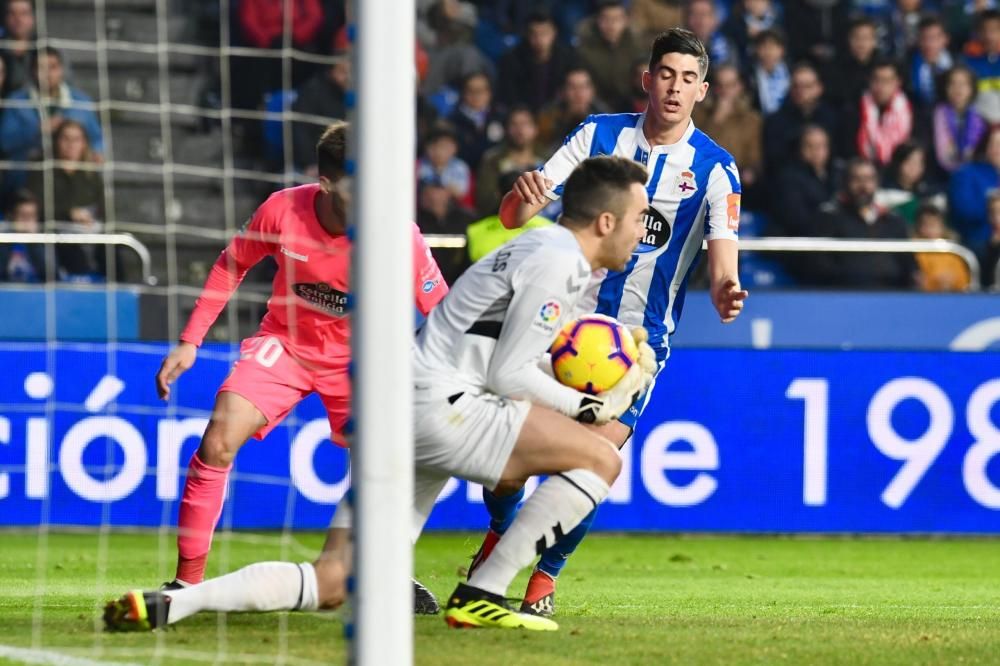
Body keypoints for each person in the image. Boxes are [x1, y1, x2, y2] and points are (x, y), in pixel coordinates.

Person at [102, 155, 657, 633]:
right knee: (600, 457)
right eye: (638, 218)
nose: (643, 230)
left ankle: (179, 601)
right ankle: (484, 593)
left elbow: (511, 350)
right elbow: (511, 376)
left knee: (333, 581)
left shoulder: (543, 249)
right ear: (606, 220)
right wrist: (595, 405)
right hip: (442, 407)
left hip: (404, 409)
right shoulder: (557, 261)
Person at [481, 28, 748, 617]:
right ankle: (502, 531)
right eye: (667, 74)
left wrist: (727, 290)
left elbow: (724, 259)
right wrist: (520, 198)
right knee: (504, 466)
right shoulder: (599, 135)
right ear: (646, 79)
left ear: (703, 91)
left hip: (634, 344)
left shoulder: (716, 171)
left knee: (592, 460)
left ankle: (542, 581)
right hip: (557, 324)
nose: (676, 88)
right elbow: (514, 212)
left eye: (689, 79)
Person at [148, 121, 448, 605]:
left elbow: (443, 311)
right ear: (327, 183)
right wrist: (191, 340)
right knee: (219, 440)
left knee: (386, 462)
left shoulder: (397, 233)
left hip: (362, 360)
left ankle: (384, 573)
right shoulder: (283, 208)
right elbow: (232, 264)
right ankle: (186, 583)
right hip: (284, 346)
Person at [813, 158, 917, 289]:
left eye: (869, 179)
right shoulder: (830, 218)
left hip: (892, 295)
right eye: (856, 179)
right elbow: (820, 265)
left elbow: (909, 264)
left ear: (877, 183)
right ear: (845, 183)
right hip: (846, 295)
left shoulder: (893, 221)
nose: (863, 186)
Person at [26, 120, 107, 280]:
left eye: (76, 139)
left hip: (89, 232)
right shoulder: (42, 170)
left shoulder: (91, 175)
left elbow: (104, 210)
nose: (71, 144)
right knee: (69, 246)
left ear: (84, 144)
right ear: (57, 141)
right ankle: (79, 288)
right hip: (54, 232)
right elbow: (34, 207)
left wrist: (92, 221)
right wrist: (68, 213)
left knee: (112, 247)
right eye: (66, 138)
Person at [0, 47, 105, 170]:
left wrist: (97, 153)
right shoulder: (16, 102)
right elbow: (4, 143)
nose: (47, 74)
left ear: (61, 70)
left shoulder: (81, 102)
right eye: (41, 68)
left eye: (53, 67)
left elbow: (97, 139)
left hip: (71, 175)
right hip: (26, 175)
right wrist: (37, 129)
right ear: (32, 71)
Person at [495, 9, 576, 113]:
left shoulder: (567, 58)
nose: (539, 39)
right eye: (534, 34)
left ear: (554, 33)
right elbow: (509, 98)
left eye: (544, 33)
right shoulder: (511, 60)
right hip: (524, 117)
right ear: (527, 35)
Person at [475, 106, 545, 217]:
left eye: (525, 124)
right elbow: (484, 200)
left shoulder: (547, 160)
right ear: (506, 129)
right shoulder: (492, 160)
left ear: (535, 129)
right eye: (514, 124)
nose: (520, 130)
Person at [576, 0, 645, 110]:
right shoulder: (585, 50)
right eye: (605, 19)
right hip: (596, 106)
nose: (611, 24)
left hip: (631, 104)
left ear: (626, 20)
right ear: (598, 21)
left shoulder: (637, 46)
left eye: (617, 19)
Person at [949, 124, 1000, 254]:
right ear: (985, 146)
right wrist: (993, 214)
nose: (997, 149)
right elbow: (965, 210)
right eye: (993, 144)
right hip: (978, 239)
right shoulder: (966, 173)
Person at [535, 67, 610, 152]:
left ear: (592, 91)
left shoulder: (605, 118)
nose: (578, 94)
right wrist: (566, 120)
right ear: (563, 92)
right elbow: (542, 149)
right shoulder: (549, 117)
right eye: (573, 87)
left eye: (583, 87)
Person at [856, 59, 913, 168]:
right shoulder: (855, 110)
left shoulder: (910, 111)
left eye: (886, 81)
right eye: (876, 80)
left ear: (898, 82)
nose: (880, 86)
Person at [933, 65, 988, 175]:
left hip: (972, 175)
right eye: (952, 83)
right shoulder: (935, 114)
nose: (957, 89)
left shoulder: (981, 119)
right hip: (939, 175)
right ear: (945, 88)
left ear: (972, 88)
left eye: (963, 84)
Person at [912, 203, 971, 292]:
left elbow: (964, 282)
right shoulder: (914, 252)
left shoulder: (952, 251)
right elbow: (917, 280)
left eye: (933, 225)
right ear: (919, 227)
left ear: (942, 227)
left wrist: (952, 281)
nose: (930, 230)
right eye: (926, 225)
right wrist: (936, 282)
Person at [0, 189, 47, 283]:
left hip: (36, 294)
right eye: (22, 215)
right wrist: (7, 240)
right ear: (13, 216)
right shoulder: (3, 239)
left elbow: (51, 276)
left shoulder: (45, 241)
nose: (27, 220)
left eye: (31, 215)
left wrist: (34, 242)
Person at [966, 9, 1000, 123]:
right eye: (984, 30)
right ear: (978, 33)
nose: (989, 35)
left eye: (994, 30)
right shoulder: (968, 61)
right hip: (978, 126)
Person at [0, 0, 34, 97]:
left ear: (32, 17)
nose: (18, 19)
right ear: (5, 18)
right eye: (12, 13)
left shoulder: (45, 48)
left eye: (24, 13)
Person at [981, 191, 1000, 289]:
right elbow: (986, 284)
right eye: (993, 212)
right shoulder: (983, 250)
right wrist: (994, 248)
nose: (997, 219)